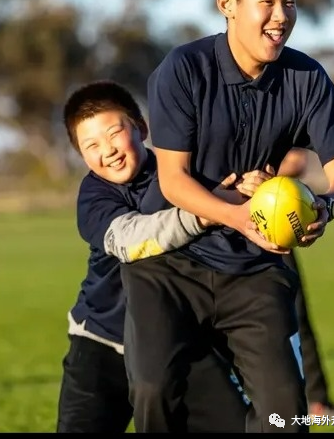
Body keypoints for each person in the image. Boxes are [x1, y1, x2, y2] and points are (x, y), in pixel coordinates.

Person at [122, 0, 334, 433]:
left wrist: (322, 207)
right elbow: (172, 181)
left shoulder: (307, 78)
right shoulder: (183, 70)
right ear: (227, 3)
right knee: (153, 390)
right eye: (267, 2)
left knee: (285, 415)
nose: (282, 16)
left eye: (289, 2)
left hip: (255, 270)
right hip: (169, 265)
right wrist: (239, 215)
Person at [57, 79, 266, 433]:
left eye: (113, 133)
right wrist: (207, 211)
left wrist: (253, 190)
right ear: (81, 155)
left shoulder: (183, 173)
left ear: (141, 128)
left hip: (177, 339)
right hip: (102, 342)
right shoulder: (92, 197)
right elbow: (132, 240)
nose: (106, 150)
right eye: (91, 145)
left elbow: (234, 190)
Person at [278, 149, 334, 419]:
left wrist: (268, 184)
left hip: (277, 230)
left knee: (296, 316)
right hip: (222, 227)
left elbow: (298, 160)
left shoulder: (279, 113)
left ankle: (316, 400)